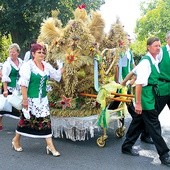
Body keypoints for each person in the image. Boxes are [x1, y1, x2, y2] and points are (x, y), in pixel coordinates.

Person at [121, 37, 170, 166]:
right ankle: (164, 155)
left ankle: (126, 146)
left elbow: (133, 71)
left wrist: (123, 82)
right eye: (155, 46)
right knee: (154, 125)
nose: (159, 48)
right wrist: (138, 103)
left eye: (159, 46)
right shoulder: (146, 62)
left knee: (139, 121)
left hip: (150, 96)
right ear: (148, 47)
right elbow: (139, 84)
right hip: (146, 98)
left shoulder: (152, 60)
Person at [12, 43, 63, 157]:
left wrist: (64, 66)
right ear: (33, 54)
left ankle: (50, 145)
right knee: (25, 121)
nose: (42, 54)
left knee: (46, 121)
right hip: (30, 99)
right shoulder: (28, 66)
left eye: (43, 52)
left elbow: (57, 76)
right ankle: (16, 140)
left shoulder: (46, 65)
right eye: (39, 52)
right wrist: (25, 100)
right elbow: (23, 85)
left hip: (43, 100)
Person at [116, 35, 153, 144]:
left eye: (130, 39)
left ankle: (134, 124)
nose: (130, 41)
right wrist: (120, 82)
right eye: (128, 39)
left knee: (126, 104)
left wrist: (133, 78)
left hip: (128, 82)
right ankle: (133, 124)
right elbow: (117, 67)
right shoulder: (121, 53)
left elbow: (133, 67)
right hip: (122, 81)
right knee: (123, 104)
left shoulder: (130, 52)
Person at [0, 43, 23, 130]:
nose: (12, 53)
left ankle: (22, 123)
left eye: (13, 52)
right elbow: (4, 77)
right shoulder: (7, 64)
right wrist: (5, 90)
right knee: (3, 106)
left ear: (18, 53)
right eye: (10, 52)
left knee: (19, 105)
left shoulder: (21, 62)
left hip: (18, 87)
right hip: (9, 87)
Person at [156, 31, 170, 113]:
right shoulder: (161, 51)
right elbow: (152, 66)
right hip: (162, 87)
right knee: (155, 112)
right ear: (167, 39)